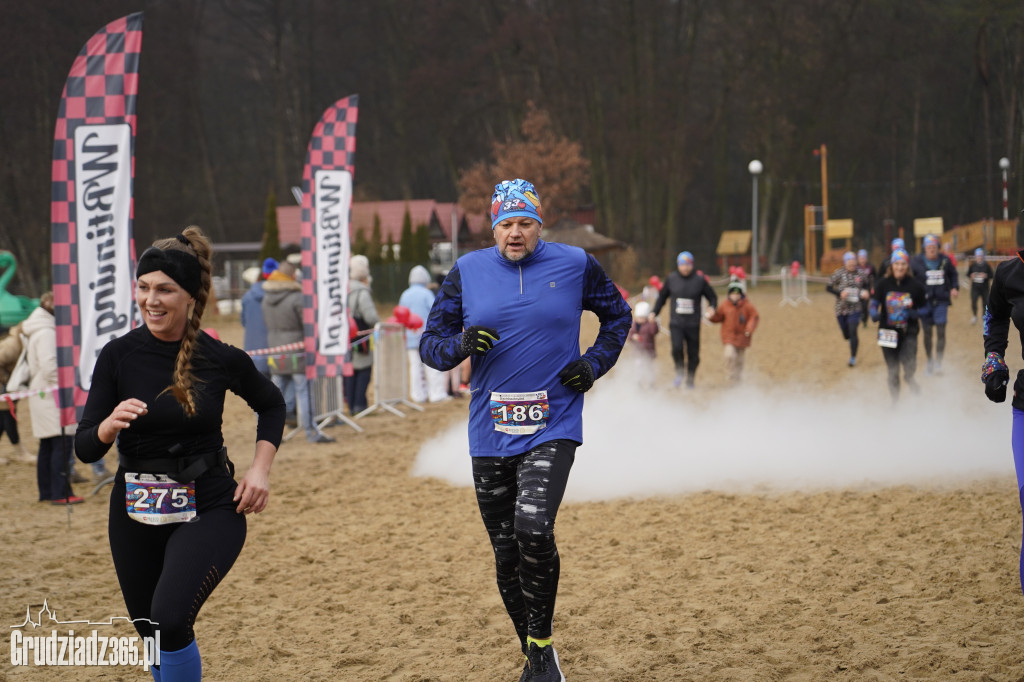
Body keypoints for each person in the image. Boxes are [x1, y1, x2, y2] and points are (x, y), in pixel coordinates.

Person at [420, 178, 631, 682]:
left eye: (525, 223)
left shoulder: (576, 264)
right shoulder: (467, 272)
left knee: (533, 528)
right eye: (506, 224)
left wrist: (593, 364)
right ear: (494, 228)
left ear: (540, 225)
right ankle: (536, 650)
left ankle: (539, 646)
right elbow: (431, 345)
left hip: (553, 420)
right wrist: (462, 344)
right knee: (505, 550)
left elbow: (618, 317)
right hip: (489, 430)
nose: (515, 233)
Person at [75, 226, 285, 681]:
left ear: (190, 296)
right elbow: (84, 445)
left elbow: (271, 404)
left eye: (165, 289)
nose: (151, 299)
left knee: (170, 619)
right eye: (144, 287)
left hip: (209, 504)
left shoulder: (219, 357)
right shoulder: (118, 356)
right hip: (134, 508)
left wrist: (260, 471)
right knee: (152, 632)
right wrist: (109, 426)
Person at [262, 262, 334, 443]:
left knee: (273, 396)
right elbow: (308, 325)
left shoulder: (266, 298)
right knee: (304, 393)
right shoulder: (297, 297)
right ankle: (311, 432)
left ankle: (269, 433)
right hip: (297, 353)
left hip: (277, 352)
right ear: (293, 276)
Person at [23, 293, 83, 503]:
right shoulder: (47, 332)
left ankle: (48, 492)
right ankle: (60, 493)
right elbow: (50, 368)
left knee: (49, 445)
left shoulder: (39, 330)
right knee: (62, 442)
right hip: (52, 393)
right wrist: (70, 386)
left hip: (43, 393)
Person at [650, 251, 717, 388]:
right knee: (676, 348)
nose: (685, 268)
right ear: (678, 265)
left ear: (692, 265)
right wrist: (654, 312)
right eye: (682, 264)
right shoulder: (672, 279)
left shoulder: (699, 280)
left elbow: (712, 296)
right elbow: (662, 298)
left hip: (693, 324)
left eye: (688, 264)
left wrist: (712, 307)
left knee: (693, 354)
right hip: (676, 323)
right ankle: (679, 372)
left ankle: (690, 378)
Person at [870, 248, 926, 401]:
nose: (899, 267)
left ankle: (912, 384)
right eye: (896, 264)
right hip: (887, 332)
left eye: (903, 264)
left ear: (907, 266)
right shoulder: (883, 284)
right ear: (891, 266)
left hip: (909, 332)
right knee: (893, 371)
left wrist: (915, 313)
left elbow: (925, 307)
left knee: (909, 369)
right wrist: (873, 312)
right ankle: (895, 403)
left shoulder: (915, 286)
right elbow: (874, 303)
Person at [910, 234, 959, 374]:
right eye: (928, 247)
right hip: (924, 303)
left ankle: (938, 361)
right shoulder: (916, 262)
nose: (931, 249)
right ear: (924, 248)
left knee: (941, 330)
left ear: (938, 247)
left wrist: (954, 287)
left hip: (941, 301)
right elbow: (910, 279)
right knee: (927, 333)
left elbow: (953, 275)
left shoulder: (945, 260)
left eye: (934, 247)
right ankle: (929, 360)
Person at [399, 265, 448, 403]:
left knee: (415, 367)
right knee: (432, 365)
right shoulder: (426, 294)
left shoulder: (404, 294)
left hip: (409, 337)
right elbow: (436, 312)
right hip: (427, 337)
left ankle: (418, 395)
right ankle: (436, 394)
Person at [345, 255, 379, 416]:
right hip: (361, 337)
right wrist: (378, 324)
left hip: (344, 336)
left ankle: (351, 404)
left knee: (350, 369)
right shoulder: (362, 292)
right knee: (364, 368)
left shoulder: (342, 289)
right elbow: (370, 317)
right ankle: (359, 404)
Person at [708, 279, 759, 384]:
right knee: (729, 355)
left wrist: (749, 329)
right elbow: (718, 317)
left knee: (740, 360)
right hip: (729, 337)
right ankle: (730, 377)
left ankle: (737, 379)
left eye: (737, 293)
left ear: (741, 294)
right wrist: (711, 316)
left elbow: (754, 317)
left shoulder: (747, 306)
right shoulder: (725, 305)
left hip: (743, 337)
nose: (735, 296)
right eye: (732, 293)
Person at [826, 251, 870, 367]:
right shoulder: (839, 273)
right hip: (841, 308)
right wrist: (840, 293)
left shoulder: (861, 274)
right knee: (846, 335)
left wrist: (866, 293)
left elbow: (867, 285)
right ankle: (850, 339)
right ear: (845, 263)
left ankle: (853, 358)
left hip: (855, 308)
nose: (852, 265)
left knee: (853, 331)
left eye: (854, 262)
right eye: (849, 263)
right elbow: (828, 287)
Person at [0, 323, 34, 464]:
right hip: (3, 386)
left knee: (2, 420)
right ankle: (21, 452)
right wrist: (5, 380)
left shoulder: (22, 343)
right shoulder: (12, 345)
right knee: (9, 416)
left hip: (7, 387)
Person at [239, 265, 270, 379]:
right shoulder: (272, 296)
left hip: (252, 351)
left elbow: (243, 321)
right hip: (273, 351)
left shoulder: (247, 297)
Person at [629, 300, 659, 388]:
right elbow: (629, 335)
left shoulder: (650, 325)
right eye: (639, 318)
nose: (640, 320)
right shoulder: (634, 325)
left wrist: (653, 322)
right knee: (638, 367)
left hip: (648, 351)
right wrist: (633, 337)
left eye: (642, 318)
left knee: (649, 367)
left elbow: (654, 331)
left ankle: (651, 382)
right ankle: (639, 382)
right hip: (638, 352)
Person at [967, 247, 994, 325]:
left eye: (981, 256)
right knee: (973, 302)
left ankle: (984, 318)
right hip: (975, 288)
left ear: (983, 256)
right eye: (978, 256)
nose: (979, 257)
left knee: (985, 303)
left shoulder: (987, 265)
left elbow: (992, 275)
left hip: (985, 288)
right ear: (975, 257)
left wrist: (986, 275)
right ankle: (974, 316)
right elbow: (968, 274)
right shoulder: (972, 265)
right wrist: (971, 275)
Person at [856, 249, 877, 328]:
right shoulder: (856, 267)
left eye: (863, 258)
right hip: (858, 289)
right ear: (858, 259)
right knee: (859, 305)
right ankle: (861, 316)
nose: (862, 260)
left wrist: (873, 287)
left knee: (865, 305)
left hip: (867, 288)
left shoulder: (871, 267)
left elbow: (875, 278)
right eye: (860, 258)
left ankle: (865, 321)